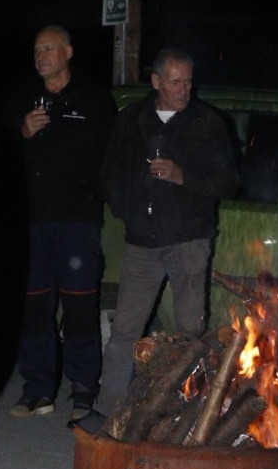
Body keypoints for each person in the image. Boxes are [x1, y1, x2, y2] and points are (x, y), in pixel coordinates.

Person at [87, 48, 240, 427]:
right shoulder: (131, 120)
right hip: (142, 242)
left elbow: (228, 182)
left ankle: (190, 416)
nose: (184, 90)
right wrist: (128, 211)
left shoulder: (207, 123)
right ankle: (107, 412)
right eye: (175, 82)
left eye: (188, 82)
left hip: (188, 241)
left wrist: (182, 176)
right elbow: (109, 172)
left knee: (190, 334)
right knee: (125, 331)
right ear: (156, 81)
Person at [9, 25, 115, 418]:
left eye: (49, 49)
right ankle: (38, 389)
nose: (41, 56)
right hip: (33, 221)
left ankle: (84, 387)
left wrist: (96, 197)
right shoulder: (24, 98)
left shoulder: (93, 100)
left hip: (78, 222)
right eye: (37, 50)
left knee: (80, 306)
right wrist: (22, 131)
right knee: (35, 307)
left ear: (68, 52)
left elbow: (112, 156)